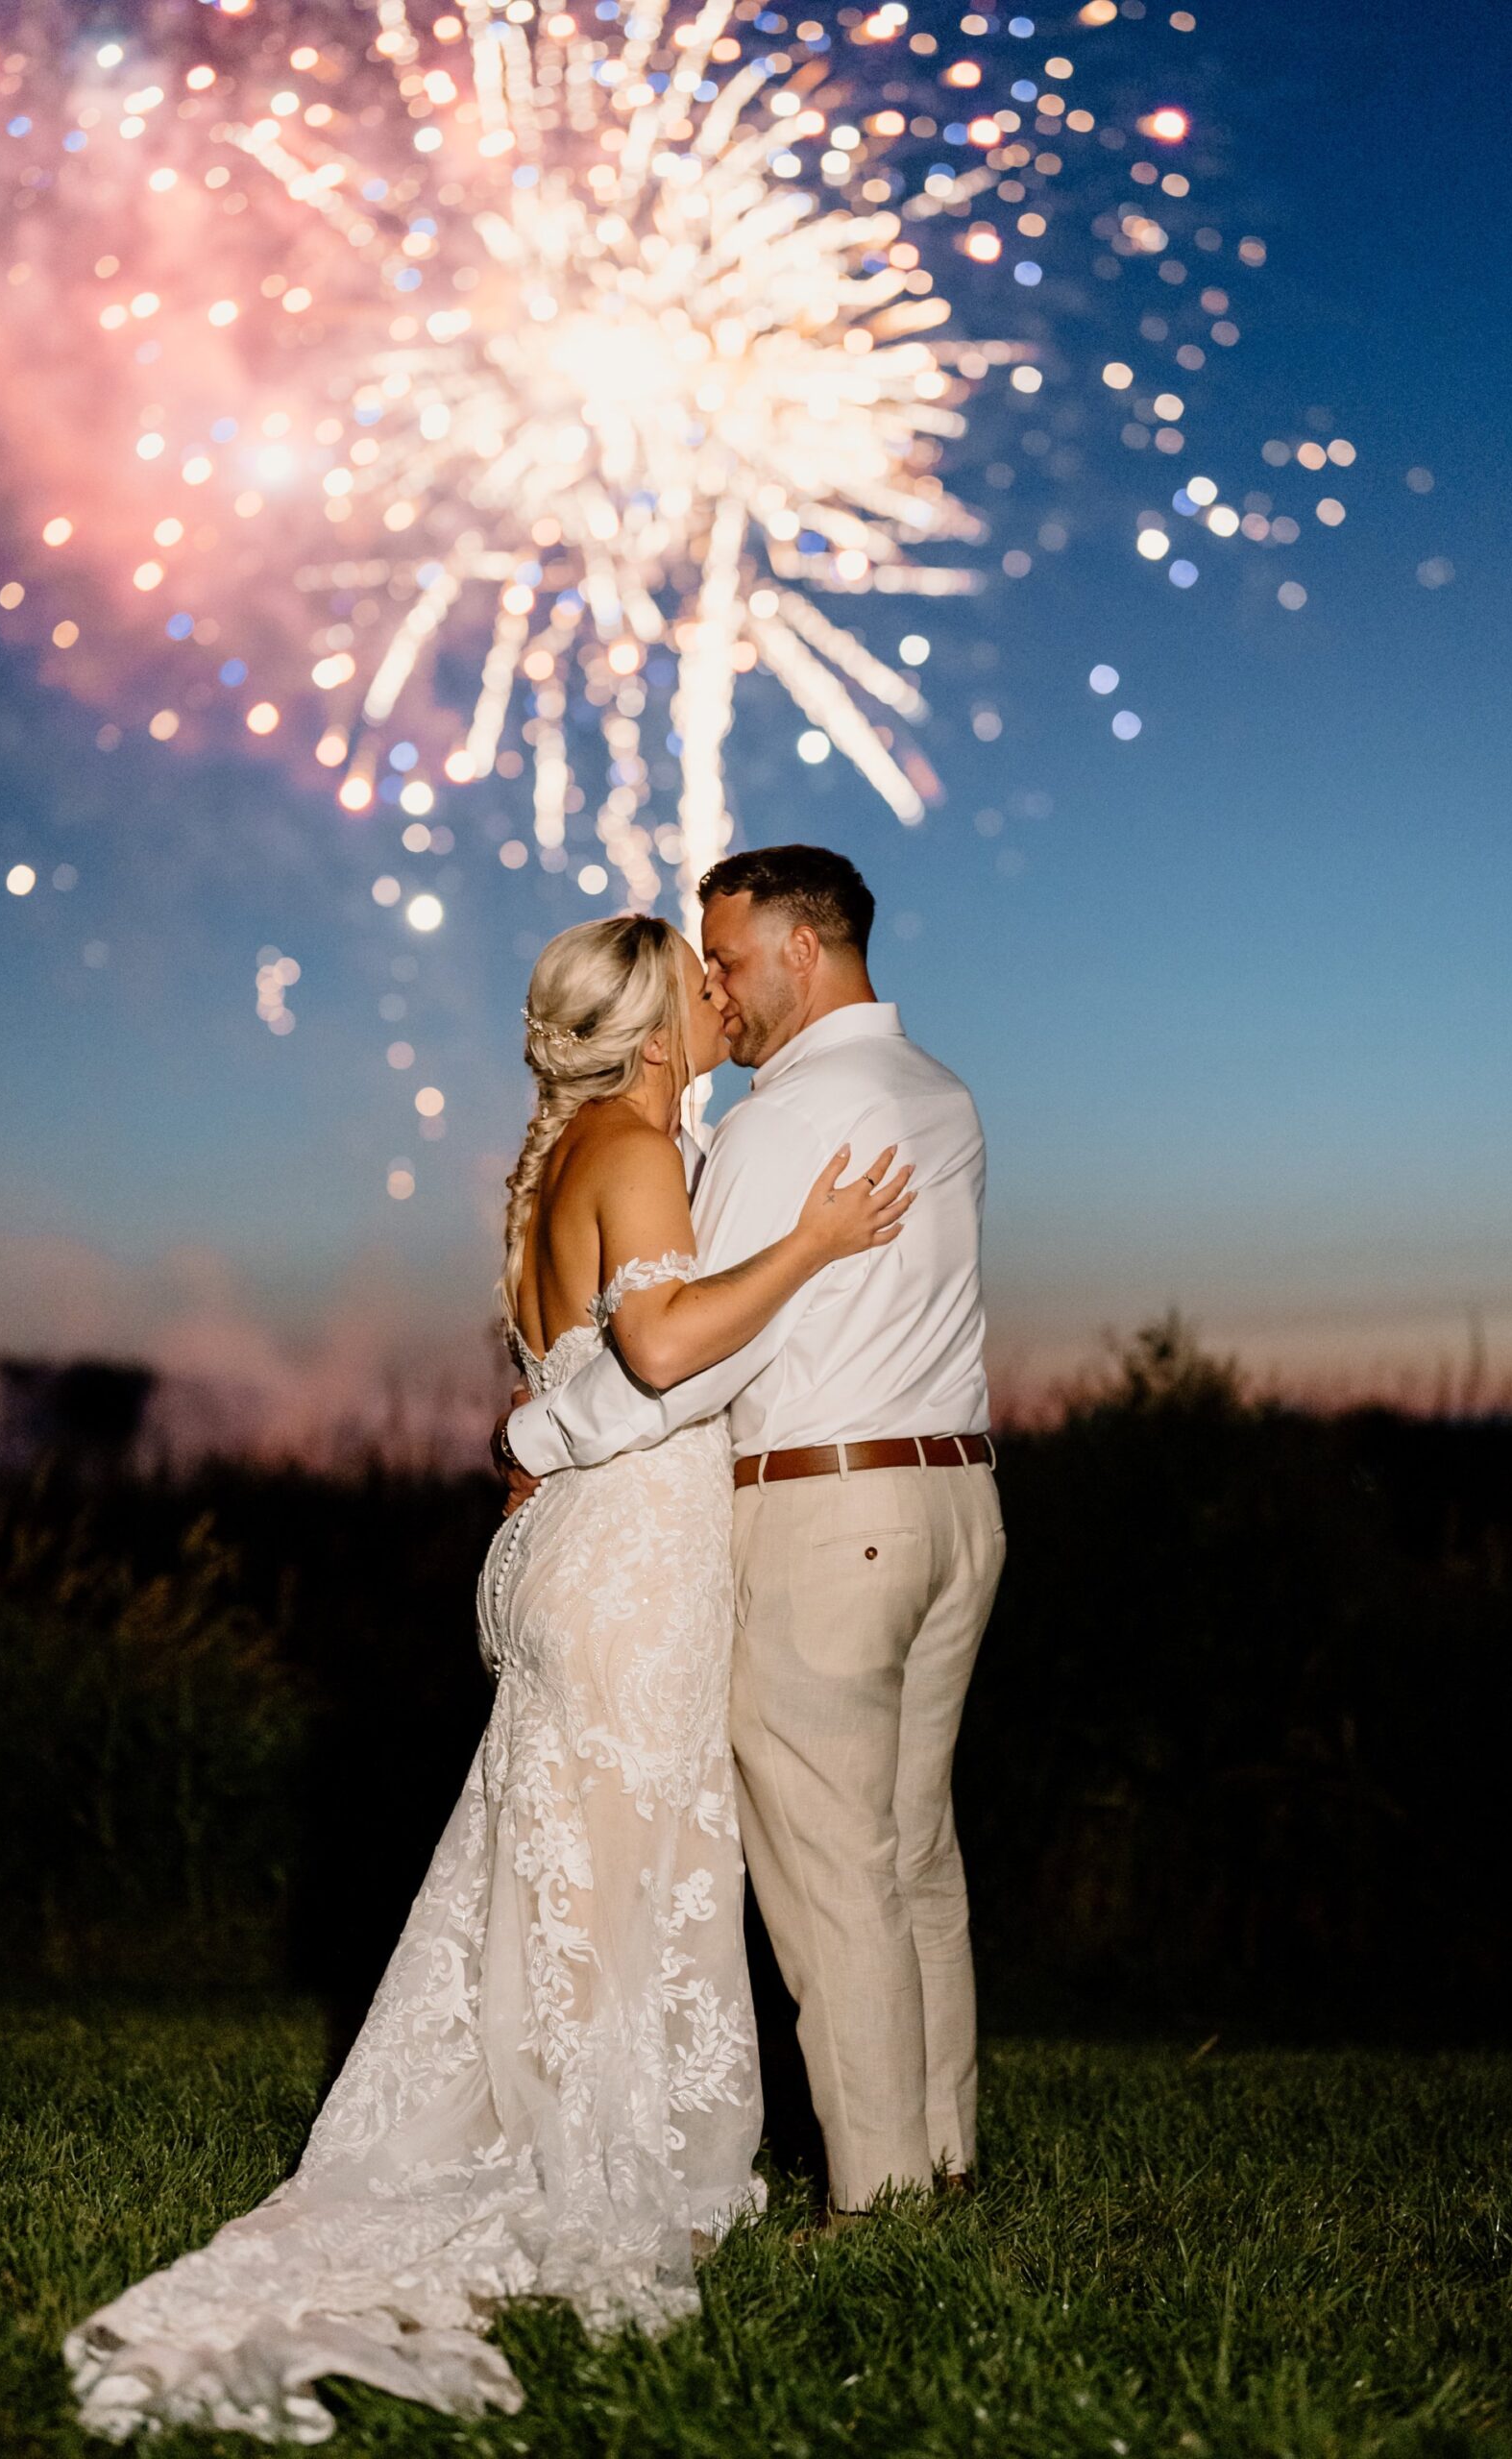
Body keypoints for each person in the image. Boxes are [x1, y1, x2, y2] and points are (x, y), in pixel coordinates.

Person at [63, 910, 908, 2444]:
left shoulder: (569, 1158)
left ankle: (573, 2126)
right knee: (625, 1855)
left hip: (563, 1556)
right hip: (629, 1566)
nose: (724, 1001)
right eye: (700, 986)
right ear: (657, 1027)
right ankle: (592, 2165)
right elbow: (658, 1350)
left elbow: (577, 1382)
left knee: (570, 1862)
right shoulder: (634, 1148)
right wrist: (811, 1246)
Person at [501, 845, 1003, 2223]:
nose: (714, 990)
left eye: (726, 958)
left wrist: (542, 1435)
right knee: (912, 1848)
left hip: (824, 1512)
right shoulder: (940, 1094)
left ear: (801, 947)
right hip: (957, 1498)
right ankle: (947, 2152)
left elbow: (691, 1356)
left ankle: (882, 2196)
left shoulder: (785, 1122)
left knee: (831, 1865)